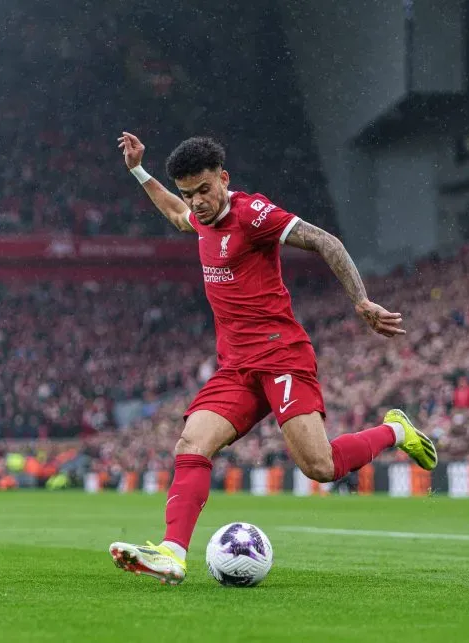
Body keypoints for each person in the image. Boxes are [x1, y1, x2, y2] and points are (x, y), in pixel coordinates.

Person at [108, 133, 437, 585]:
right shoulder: (199, 217)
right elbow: (173, 212)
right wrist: (137, 170)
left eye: (204, 190)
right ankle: (172, 552)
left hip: (281, 355)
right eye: (190, 193)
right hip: (236, 368)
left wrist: (361, 301)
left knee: (320, 468)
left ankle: (395, 430)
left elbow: (326, 241)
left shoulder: (252, 215)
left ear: (223, 179)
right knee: (190, 445)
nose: (197, 202)